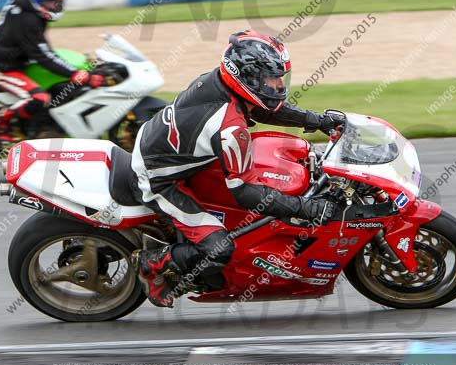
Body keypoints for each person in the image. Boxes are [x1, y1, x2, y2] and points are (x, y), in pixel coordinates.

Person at [131, 30, 344, 307]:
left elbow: (267, 109)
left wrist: (317, 121)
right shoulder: (230, 127)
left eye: (280, 76)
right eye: (270, 78)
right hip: (159, 179)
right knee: (219, 249)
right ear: (246, 77)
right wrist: (307, 209)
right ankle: (153, 263)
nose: (278, 85)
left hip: (179, 154)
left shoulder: (222, 82)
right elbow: (245, 193)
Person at [0, 0, 104, 143]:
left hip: (17, 61)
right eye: (51, 1)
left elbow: (42, 50)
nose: (56, 5)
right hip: (2, 68)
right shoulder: (27, 19)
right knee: (40, 98)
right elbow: (43, 55)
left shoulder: (26, 7)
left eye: (59, 1)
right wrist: (76, 74)